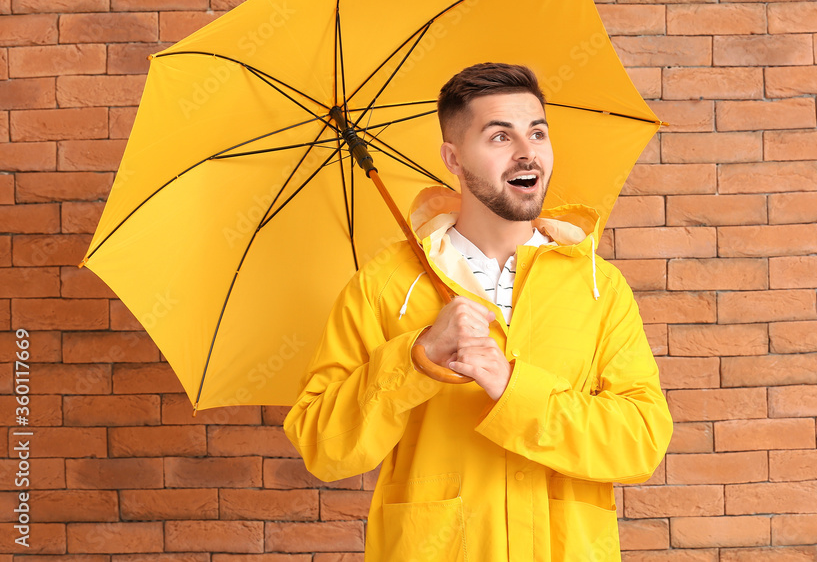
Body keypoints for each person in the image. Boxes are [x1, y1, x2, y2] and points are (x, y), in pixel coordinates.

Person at [283, 62, 673, 561]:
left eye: (537, 132)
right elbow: (323, 447)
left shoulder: (598, 287)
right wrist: (416, 358)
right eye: (499, 137)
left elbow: (639, 442)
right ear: (454, 157)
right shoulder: (385, 287)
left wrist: (513, 389)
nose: (527, 152)